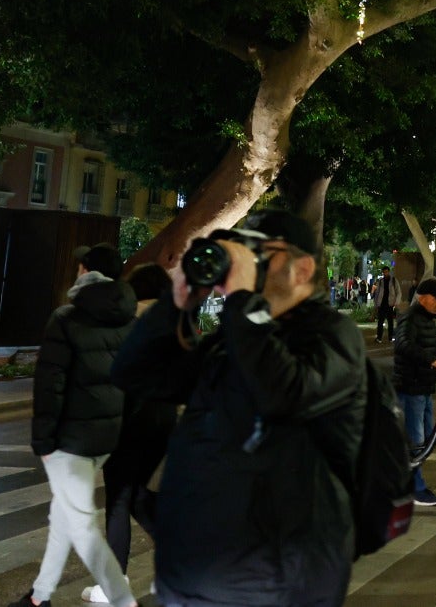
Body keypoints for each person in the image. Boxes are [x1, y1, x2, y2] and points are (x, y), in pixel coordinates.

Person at [113, 211, 365, 607]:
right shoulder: (234, 339)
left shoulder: (332, 337)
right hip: (192, 577)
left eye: (265, 253)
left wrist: (244, 301)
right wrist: (174, 304)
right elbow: (136, 374)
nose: (252, 262)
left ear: (303, 269)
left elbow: (284, 394)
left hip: (271, 584)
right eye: (245, 251)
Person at [11, 244, 139, 607]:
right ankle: (40, 597)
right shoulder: (129, 322)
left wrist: (44, 443)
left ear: (85, 271)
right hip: (107, 437)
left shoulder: (66, 318)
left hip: (71, 440)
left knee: (81, 528)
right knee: (64, 515)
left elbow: (49, 385)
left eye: (80, 266)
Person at [85, 264, 179, 605]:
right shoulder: (173, 325)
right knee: (137, 494)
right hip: (164, 419)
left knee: (120, 499)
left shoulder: (126, 326)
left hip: (129, 419)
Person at [395, 277, 436, 507]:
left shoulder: (428, 319)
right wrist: (431, 360)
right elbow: (402, 344)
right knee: (417, 442)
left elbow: (433, 347)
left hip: (424, 388)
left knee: (426, 438)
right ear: (423, 297)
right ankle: (415, 489)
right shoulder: (410, 317)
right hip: (410, 387)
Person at [373, 265, 398, 343]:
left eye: (386, 272)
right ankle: (379, 337)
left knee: (390, 322)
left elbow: (398, 291)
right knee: (380, 321)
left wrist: (396, 303)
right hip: (382, 304)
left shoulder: (393, 280)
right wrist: (376, 304)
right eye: (384, 272)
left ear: (389, 272)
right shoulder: (380, 281)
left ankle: (391, 337)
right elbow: (377, 293)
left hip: (390, 304)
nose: (385, 273)